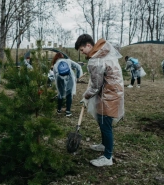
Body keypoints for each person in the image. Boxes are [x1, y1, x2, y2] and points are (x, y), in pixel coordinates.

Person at [75, 34, 124, 167]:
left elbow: (96, 86)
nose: (82, 52)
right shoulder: (103, 53)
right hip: (112, 92)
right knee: (103, 122)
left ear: (89, 45)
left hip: (109, 96)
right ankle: (104, 145)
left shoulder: (96, 60)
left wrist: (85, 97)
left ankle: (107, 157)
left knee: (105, 125)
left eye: (81, 49)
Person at [52, 52, 83, 117]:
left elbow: (55, 76)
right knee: (69, 94)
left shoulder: (55, 65)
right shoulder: (68, 61)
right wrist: (77, 76)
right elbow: (78, 66)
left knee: (60, 94)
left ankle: (59, 110)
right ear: (62, 57)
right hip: (70, 77)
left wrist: (57, 85)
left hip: (59, 78)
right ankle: (68, 112)